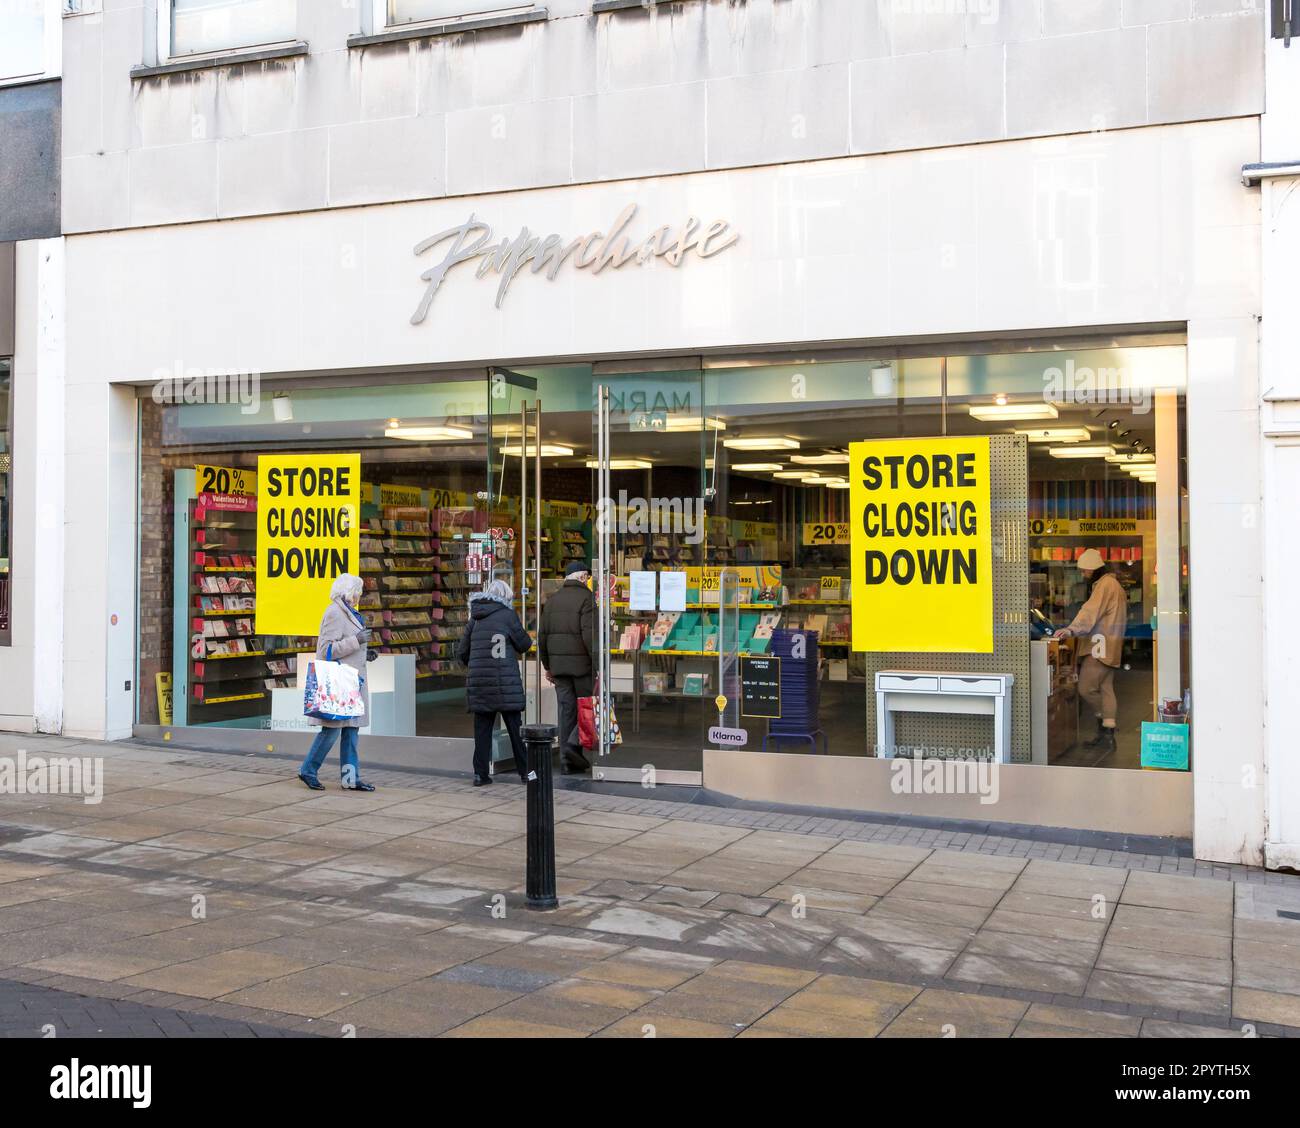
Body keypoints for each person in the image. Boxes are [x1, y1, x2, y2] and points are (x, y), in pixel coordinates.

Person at [298, 573, 378, 792]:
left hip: (351, 684)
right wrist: (357, 641)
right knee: (331, 731)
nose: (360, 596)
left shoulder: (350, 613)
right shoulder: (334, 612)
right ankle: (308, 770)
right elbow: (326, 650)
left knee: (351, 732)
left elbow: (347, 647)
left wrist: (366, 653)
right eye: (358, 591)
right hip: (340, 685)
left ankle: (350, 779)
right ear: (349, 592)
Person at [456, 578, 536, 787]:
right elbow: (524, 644)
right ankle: (526, 773)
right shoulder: (508, 616)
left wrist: (477, 664)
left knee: (482, 731)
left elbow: (462, 652)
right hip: (505, 682)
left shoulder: (475, 619)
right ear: (506, 596)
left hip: (480, 683)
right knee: (515, 730)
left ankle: (480, 774)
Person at [1054, 547, 1127, 755]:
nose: (1083, 574)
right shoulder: (1114, 585)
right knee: (1106, 688)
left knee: (1085, 687)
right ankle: (1107, 735)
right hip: (1111, 644)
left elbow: (1089, 612)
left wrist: (1071, 629)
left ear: (1094, 569)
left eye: (1085, 570)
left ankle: (1105, 726)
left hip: (1099, 645)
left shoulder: (1105, 586)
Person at [539, 559, 595, 774]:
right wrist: (597, 663)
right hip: (582, 666)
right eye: (588, 577)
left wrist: (548, 665)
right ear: (583, 577)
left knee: (566, 712)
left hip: (559, 667)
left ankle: (566, 761)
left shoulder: (552, 600)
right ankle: (572, 746)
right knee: (587, 708)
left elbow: (542, 636)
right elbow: (589, 635)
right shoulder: (586, 599)